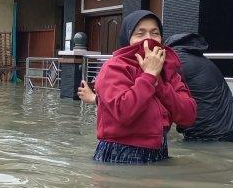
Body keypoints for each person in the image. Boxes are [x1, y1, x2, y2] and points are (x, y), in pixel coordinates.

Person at [79, 32, 233, 143]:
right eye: (140, 33)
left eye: (154, 33)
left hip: (209, 137)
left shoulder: (173, 62)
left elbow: (140, 100)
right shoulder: (199, 58)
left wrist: (95, 99)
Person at [84, 10, 196, 164]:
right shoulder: (114, 67)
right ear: (127, 38)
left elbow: (188, 116)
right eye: (140, 34)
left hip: (159, 150)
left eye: (155, 33)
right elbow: (124, 111)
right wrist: (149, 76)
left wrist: (159, 83)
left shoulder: (169, 70)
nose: (149, 39)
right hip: (120, 152)